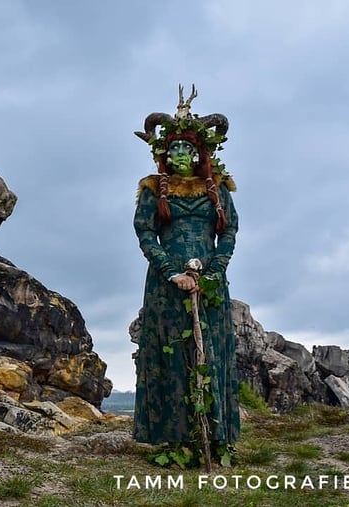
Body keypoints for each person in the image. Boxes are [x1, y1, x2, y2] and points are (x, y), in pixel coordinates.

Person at [131, 85, 240, 458]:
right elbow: (145, 232)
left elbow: (229, 233)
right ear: (165, 154)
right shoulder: (152, 190)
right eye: (173, 147)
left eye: (187, 148)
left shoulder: (218, 190)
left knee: (210, 351)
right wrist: (170, 271)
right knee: (172, 354)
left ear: (199, 154)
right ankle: (174, 439)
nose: (180, 154)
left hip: (210, 282)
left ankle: (214, 436)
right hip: (166, 285)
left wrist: (214, 271)